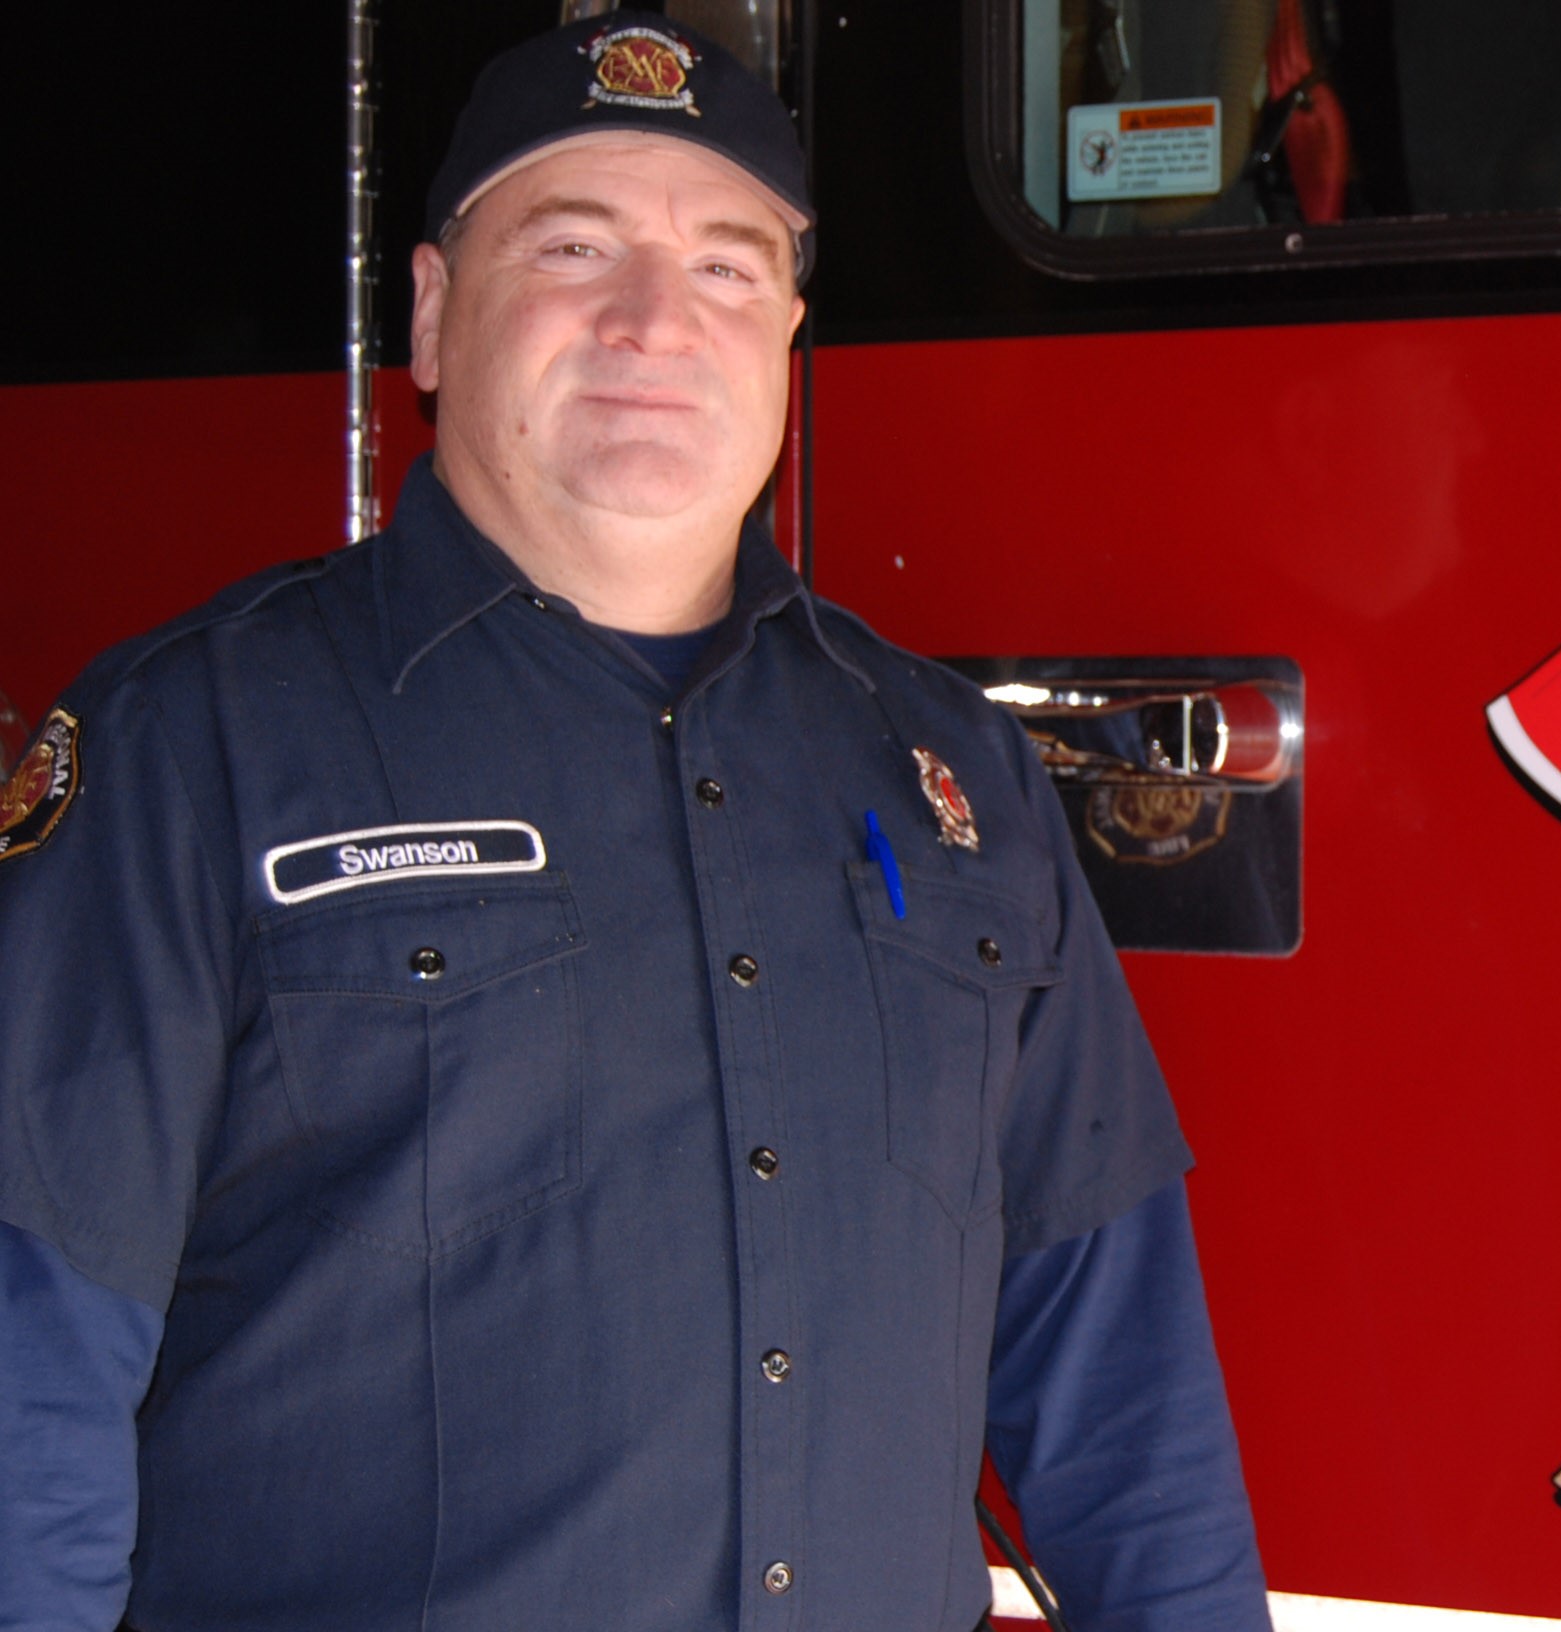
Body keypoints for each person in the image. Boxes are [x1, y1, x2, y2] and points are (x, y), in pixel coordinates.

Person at [0, 12, 1270, 1631]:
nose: (655, 319)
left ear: (788, 338)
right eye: (574, 244)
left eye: (729, 267)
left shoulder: (959, 782)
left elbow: (1122, 1384)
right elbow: (27, 1377)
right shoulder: (192, 749)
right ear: (440, 317)